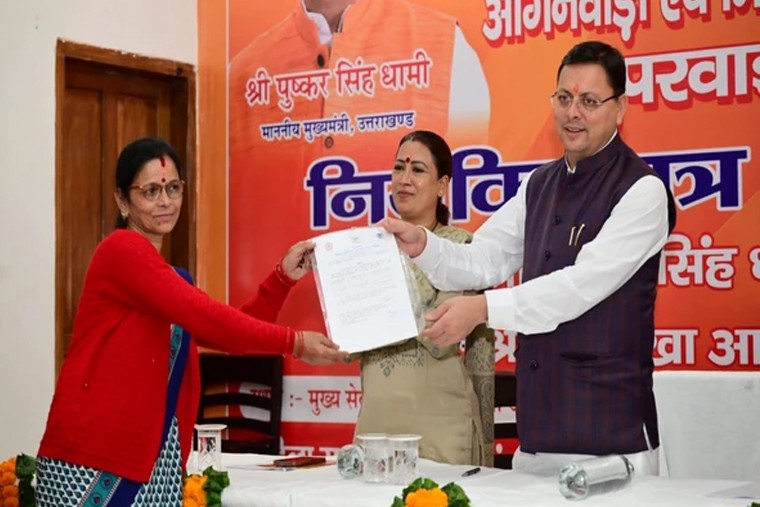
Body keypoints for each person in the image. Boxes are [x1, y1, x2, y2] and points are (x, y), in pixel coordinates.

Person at [383, 41, 676, 475]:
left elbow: (576, 289)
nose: (572, 113)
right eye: (564, 98)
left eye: (589, 101)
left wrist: (482, 309)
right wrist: (424, 244)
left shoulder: (642, 191)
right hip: (538, 438)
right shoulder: (539, 184)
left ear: (620, 108)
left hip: (611, 444)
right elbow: (485, 257)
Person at [35, 137, 346, 506]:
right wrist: (295, 342)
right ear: (122, 200)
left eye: (173, 188)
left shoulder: (168, 279)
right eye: (151, 191)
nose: (165, 201)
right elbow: (210, 318)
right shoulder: (120, 252)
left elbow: (229, 333)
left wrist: (282, 279)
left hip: (151, 460)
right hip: (96, 458)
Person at [353, 131, 495, 466]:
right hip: (376, 425)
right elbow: (352, 343)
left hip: (440, 427)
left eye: (417, 169)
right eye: (398, 168)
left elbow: (442, 337)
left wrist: (485, 444)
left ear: (442, 185)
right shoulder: (369, 249)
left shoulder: (462, 248)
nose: (404, 179)